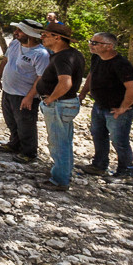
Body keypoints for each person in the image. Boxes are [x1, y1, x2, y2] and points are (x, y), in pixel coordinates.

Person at [78, 32, 133, 182]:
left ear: (109, 46)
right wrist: (83, 93)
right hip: (99, 105)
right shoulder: (96, 58)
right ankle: (99, 166)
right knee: (98, 135)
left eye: (95, 43)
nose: (91, 45)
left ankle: (126, 173)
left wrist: (123, 108)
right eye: (91, 41)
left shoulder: (121, 64)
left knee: (119, 141)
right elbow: (91, 75)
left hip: (117, 110)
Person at [34, 21, 87, 191]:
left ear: (57, 37)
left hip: (59, 104)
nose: (42, 37)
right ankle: (64, 172)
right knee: (65, 141)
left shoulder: (63, 57)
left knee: (58, 143)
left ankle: (59, 180)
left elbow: (65, 83)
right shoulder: (72, 54)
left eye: (45, 35)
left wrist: (50, 99)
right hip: (66, 104)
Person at [0, 20, 50, 163]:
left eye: (20, 30)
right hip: (8, 91)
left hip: (24, 95)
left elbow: (41, 77)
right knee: (11, 120)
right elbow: (5, 60)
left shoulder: (41, 54)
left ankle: (29, 152)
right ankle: (14, 144)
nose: (16, 32)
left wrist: (30, 96)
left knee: (26, 124)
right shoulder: (14, 44)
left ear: (30, 34)